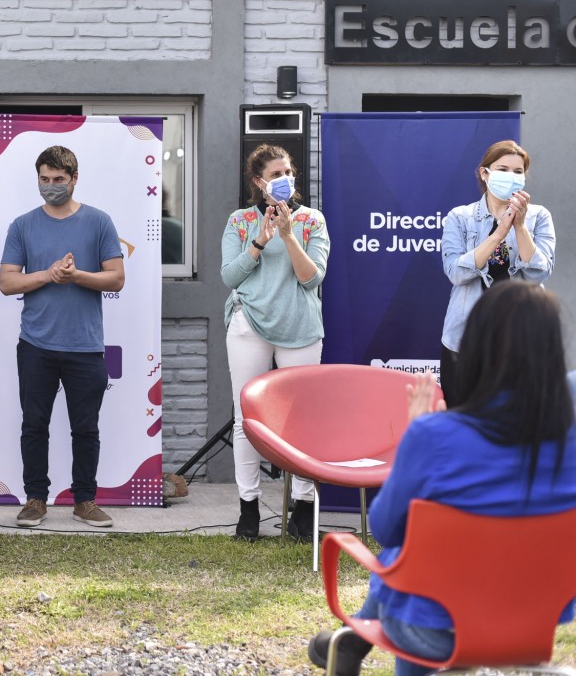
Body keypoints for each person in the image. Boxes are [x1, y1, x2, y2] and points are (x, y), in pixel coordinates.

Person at [308, 282, 576, 676]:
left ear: (475, 348)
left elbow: (386, 528)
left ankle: (355, 637)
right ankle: (353, 640)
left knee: (405, 557)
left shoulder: (434, 436)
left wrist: (416, 439)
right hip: (534, 623)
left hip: (434, 631)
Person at [0, 145, 125, 529]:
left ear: (74, 178)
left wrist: (76, 276)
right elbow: (6, 282)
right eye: (44, 179)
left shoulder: (99, 222)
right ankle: (35, 499)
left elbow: (116, 278)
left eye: (58, 179)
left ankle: (85, 500)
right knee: (33, 425)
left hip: (85, 347)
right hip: (35, 345)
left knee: (86, 428)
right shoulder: (22, 225)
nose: (51, 185)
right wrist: (48, 274)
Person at [221, 143, 330, 541]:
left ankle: (303, 508)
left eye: (287, 172)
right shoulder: (239, 221)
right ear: (259, 181)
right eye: (275, 175)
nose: (285, 180)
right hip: (248, 325)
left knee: (303, 420)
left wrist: (288, 236)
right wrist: (260, 242)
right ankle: (248, 509)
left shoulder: (312, 220)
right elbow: (230, 276)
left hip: (300, 328)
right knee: (246, 418)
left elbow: (312, 278)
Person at [440, 139, 554, 406]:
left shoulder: (539, 217)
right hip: (465, 337)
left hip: (522, 336)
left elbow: (539, 274)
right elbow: (456, 273)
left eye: (518, 171)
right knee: (462, 413)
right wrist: (498, 233)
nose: (511, 176)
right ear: (485, 173)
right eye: (503, 169)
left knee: (519, 417)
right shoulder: (460, 217)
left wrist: (520, 227)